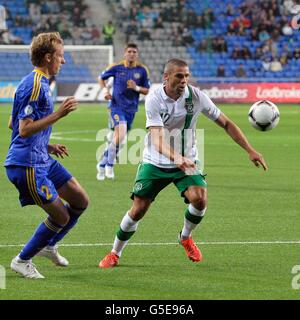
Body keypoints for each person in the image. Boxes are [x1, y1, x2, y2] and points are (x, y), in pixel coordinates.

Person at [98, 58, 268, 268]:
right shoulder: (154, 98)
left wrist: (250, 150)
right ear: (166, 77)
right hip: (155, 161)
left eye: (187, 76)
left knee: (200, 199)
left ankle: (185, 237)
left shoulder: (197, 96)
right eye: (179, 76)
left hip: (186, 161)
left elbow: (226, 123)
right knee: (138, 210)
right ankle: (115, 252)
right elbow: (157, 139)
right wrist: (176, 158)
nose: (184, 80)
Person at [4, 32, 89, 279]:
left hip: (41, 156)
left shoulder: (38, 82)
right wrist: (58, 115)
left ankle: (49, 245)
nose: (63, 61)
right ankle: (22, 260)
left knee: (80, 200)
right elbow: (23, 128)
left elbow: (12, 122)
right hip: (27, 164)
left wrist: (48, 145)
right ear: (48, 56)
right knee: (60, 215)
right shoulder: (33, 85)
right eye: (60, 56)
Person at [96, 43, 150, 180]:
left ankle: (102, 163)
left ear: (137, 54)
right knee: (120, 135)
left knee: (120, 139)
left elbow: (147, 90)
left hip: (131, 109)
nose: (131, 54)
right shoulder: (116, 67)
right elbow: (101, 78)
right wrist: (105, 91)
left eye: (134, 52)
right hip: (116, 106)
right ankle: (109, 164)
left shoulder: (142, 70)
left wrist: (136, 88)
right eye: (129, 51)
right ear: (125, 53)